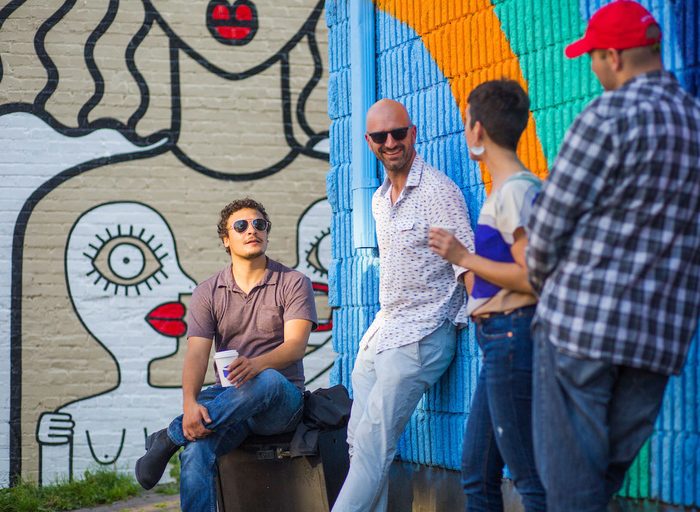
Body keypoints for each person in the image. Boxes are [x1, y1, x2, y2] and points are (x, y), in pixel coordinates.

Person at [525, 2, 700, 511]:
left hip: (581, 327)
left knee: (572, 488)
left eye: (593, 58)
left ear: (614, 56)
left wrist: (537, 277)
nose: (592, 69)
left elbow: (548, 225)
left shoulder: (607, 116)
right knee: (596, 485)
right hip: (658, 342)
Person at [331, 99, 474, 512]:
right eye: (381, 137)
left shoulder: (437, 192)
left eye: (398, 133)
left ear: (414, 133)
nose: (391, 142)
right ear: (369, 143)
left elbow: (467, 263)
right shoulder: (379, 199)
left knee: (374, 446)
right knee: (359, 445)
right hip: (382, 333)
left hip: (423, 335)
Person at [134, 198, 318, 512]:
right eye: (241, 226)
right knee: (195, 451)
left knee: (268, 380)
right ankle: (182, 433)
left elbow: (295, 347)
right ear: (226, 239)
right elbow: (196, 355)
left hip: (281, 402)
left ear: (267, 233)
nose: (252, 231)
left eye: (259, 224)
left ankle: (169, 436)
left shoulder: (293, 282)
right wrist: (190, 404)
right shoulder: (207, 292)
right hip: (232, 401)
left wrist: (256, 365)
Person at [429, 79, 546, 511]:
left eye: (465, 124)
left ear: (476, 130)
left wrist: (463, 257)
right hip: (498, 341)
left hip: (512, 339)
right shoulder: (507, 191)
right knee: (477, 474)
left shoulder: (517, 192)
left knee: (530, 480)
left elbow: (533, 277)